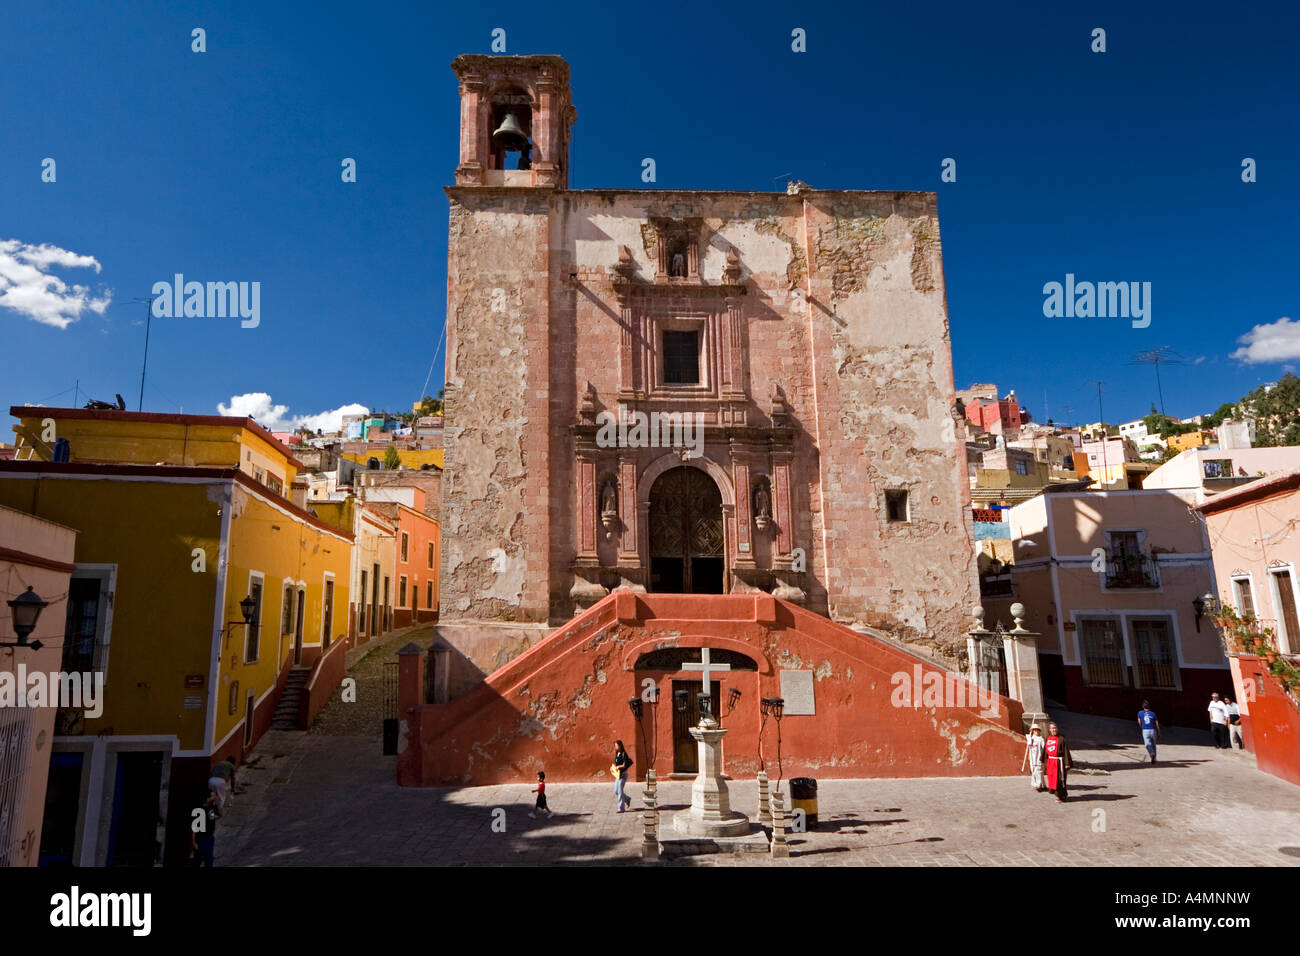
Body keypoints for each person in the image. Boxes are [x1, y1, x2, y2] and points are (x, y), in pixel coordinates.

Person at [190, 789, 221, 867]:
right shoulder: (199, 810)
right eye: (213, 796)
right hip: (202, 839)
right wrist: (194, 842)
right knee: (199, 859)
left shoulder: (211, 807)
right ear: (207, 799)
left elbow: (219, 816)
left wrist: (217, 805)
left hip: (210, 837)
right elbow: (194, 828)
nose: (215, 797)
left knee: (209, 859)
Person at [1044, 722, 1071, 802]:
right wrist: (1045, 762)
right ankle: (1058, 795)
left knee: (1060, 780)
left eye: (1055, 728)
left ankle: (1062, 796)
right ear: (1049, 729)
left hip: (1060, 763)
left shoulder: (1061, 739)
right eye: (1052, 728)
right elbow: (1045, 751)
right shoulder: (1047, 738)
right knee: (1053, 780)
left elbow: (1066, 751)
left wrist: (1067, 763)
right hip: (1051, 762)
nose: (1054, 730)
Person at [1022, 724, 1047, 791]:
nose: (1036, 731)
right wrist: (1029, 739)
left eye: (1037, 730)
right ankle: (1041, 784)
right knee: (1034, 771)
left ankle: (1039, 785)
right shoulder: (1031, 739)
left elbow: (1044, 749)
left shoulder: (1041, 739)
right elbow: (1029, 747)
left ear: (1039, 731)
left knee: (1039, 772)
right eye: (1034, 730)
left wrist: (1043, 758)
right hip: (1032, 758)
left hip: (1039, 758)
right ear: (1032, 731)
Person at [612, 740, 633, 813]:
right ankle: (627, 799)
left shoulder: (624, 754)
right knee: (616, 791)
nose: (615, 747)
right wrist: (613, 768)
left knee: (620, 791)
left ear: (620, 746)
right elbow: (617, 763)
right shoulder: (617, 754)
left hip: (623, 775)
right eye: (615, 746)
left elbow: (625, 765)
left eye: (616, 745)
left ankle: (621, 808)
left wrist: (619, 767)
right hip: (618, 775)